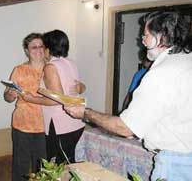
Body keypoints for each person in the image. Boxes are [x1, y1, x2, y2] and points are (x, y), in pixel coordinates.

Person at [64, 11, 192, 180]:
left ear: (160, 37)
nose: (142, 40)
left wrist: (85, 112)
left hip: (176, 163)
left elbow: (124, 128)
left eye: (145, 35)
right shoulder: (186, 61)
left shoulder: (161, 74)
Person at [21, 30, 85, 164]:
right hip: (76, 121)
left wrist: (30, 98)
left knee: (58, 167)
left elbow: (57, 100)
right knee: (70, 163)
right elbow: (77, 87)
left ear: (48, 49)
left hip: (60, 124)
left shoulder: (51, 66)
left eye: (43, 46)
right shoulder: (70, 62)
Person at [3, 33, 47, 180]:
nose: (38, 49)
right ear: (27, 51)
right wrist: (10, 94)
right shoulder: (19, 70)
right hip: (22, 124)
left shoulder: (51, 68)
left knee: (43, 166)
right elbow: (7, 98)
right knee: (21, 165)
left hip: (46, 125)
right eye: (33, 47)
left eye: (41, 46)